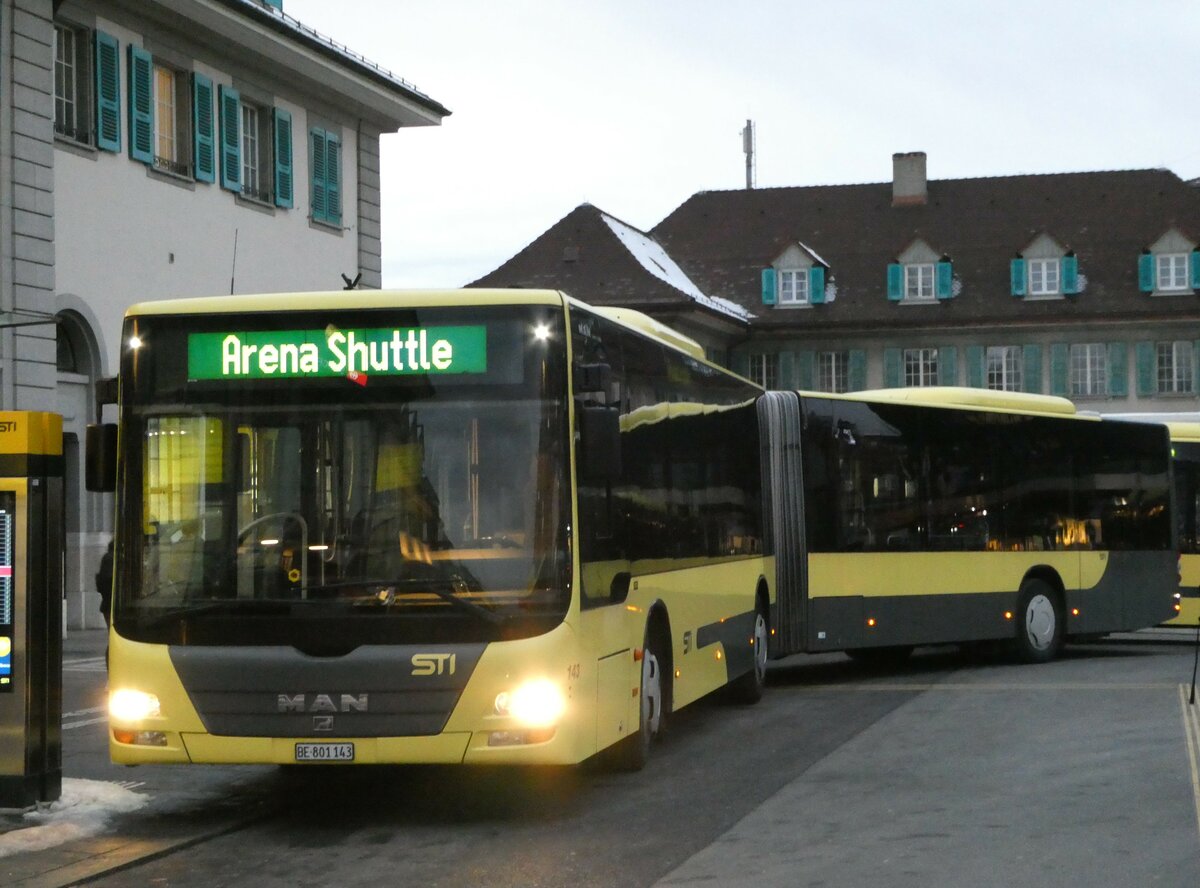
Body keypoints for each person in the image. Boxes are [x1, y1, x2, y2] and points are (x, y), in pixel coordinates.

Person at [96, 540, 113, 629]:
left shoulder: (106, 557)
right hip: (110, 599)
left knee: (110, 627)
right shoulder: (112, 558)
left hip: (107, 599)